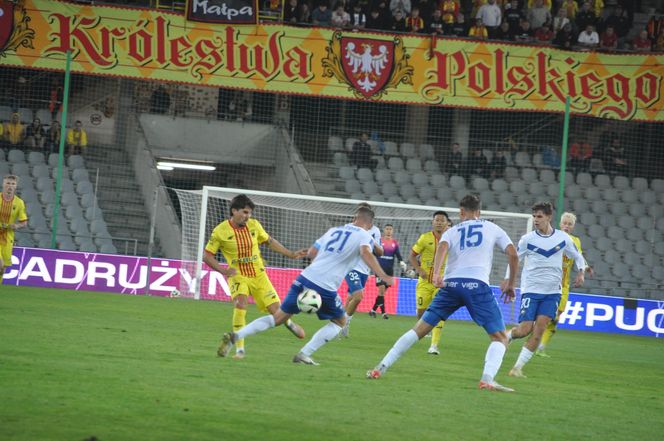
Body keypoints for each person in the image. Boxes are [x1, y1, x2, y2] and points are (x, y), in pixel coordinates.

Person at [368, 194, 519, 393]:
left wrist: (437, 273)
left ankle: (381, 367)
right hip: (476, 285)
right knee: (500, 338)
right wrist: (510, 283)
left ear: (461, 212)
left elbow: (442, 247)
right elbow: (513, 254)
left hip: (451, 285)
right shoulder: (492, 228)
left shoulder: (452, 230)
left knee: (418, 329)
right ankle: (487, 379)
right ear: (479, 212)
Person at [217, 206, 393, 365]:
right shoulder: (364, 235)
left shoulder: (333, 230)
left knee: (278, 318)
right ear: (370, 225)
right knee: (340, 321)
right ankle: (303, 354)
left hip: (305, 277)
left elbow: (311, 252)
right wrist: (383, 274)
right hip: (325, 286)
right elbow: (366, 252)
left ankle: (236, 336)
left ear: (355, 217)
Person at [203, 194, 309, 359]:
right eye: (244, 212)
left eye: (249, 213)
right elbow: (207, 256)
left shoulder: (254, 226)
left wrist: (291, 254)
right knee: (240, 304)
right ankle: (239, 350)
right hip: (238, 276)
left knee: (277, 314)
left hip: (259, 275)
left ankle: (288, 322)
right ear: (234, 211)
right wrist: (223, 271)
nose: (247, 216)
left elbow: (270, 241)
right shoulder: (220, 231)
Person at [503, 202, 586, 378]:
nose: (535, 220)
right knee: (525, 329)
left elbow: (577, 256)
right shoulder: (527, 239)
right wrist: (507, 280)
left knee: (539, 330)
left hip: (553, 293)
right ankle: (509, 335)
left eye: (539, 216)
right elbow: (514, 259)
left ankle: (517, 368)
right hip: (531, 290)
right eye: (534, 216)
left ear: (549, 217)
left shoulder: (563, 238)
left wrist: (581, 272)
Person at [536, 211, 593, 357]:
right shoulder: (552, 237)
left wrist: (585, 268)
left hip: (564, 285)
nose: (567, 226)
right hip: (549, 282)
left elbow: (578, 257)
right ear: (560, 224)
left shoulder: (576, 241)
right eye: (565, 223)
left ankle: (541, 347)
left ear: (573, 227)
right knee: (546, 316)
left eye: (570, 224)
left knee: (556, 317)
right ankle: (534, 342)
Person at [408, 210, 451, 355]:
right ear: (433, 222)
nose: (439, 222)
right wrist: (419, 269)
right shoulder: (425, 238)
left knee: (439, 311)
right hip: (425, 281)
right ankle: (424, 329)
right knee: (421, 311)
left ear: (447, 223)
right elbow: (412, 255)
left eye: (442, 220)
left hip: (442, 282)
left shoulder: (452, 239)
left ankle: (434, 345)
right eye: (436, 220)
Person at [341, 202, 384, 337]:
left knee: (351, 297)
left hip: (365, 269)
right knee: (358, 296)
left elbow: (380, 251)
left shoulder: (375, 231)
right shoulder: (348, 227)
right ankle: (344, 323)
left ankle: (340, 323)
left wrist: (369, 238)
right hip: (351, 267)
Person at [370, 224, 406, 319]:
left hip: (389, 271)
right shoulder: (379, 241)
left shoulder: (394, 243)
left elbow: (398, 254)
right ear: (384, 230)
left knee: (381, 293)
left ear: (393, 231)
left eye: (390, 229)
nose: (389, 231)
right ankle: (384, 313)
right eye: (387, 229)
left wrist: (401, 262)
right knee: (381, 291)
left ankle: (373, 310)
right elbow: (373, 252)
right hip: (379, 270)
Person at [0, 175, 28, 284]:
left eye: (12, 184)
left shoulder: (19, 203)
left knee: (2, 269)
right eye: (8, 183)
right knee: (0, 264)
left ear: (16, 186)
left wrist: (16, 226)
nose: (10, 186)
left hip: (8, 239)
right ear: (3, 184)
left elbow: (24, 222)